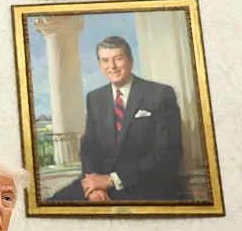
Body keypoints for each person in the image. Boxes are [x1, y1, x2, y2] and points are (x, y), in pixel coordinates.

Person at [49, 36, 182, 202]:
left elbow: (167, 152)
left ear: (131, 61)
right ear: (100, 64)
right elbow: (89, 147)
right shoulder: (95, 98)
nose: (111, 66)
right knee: (52, 204)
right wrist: (94, 185)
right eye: (105, 60)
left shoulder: (160, 94)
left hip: (144, 185)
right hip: (101, 184)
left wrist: (113, 180)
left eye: (118, 59)